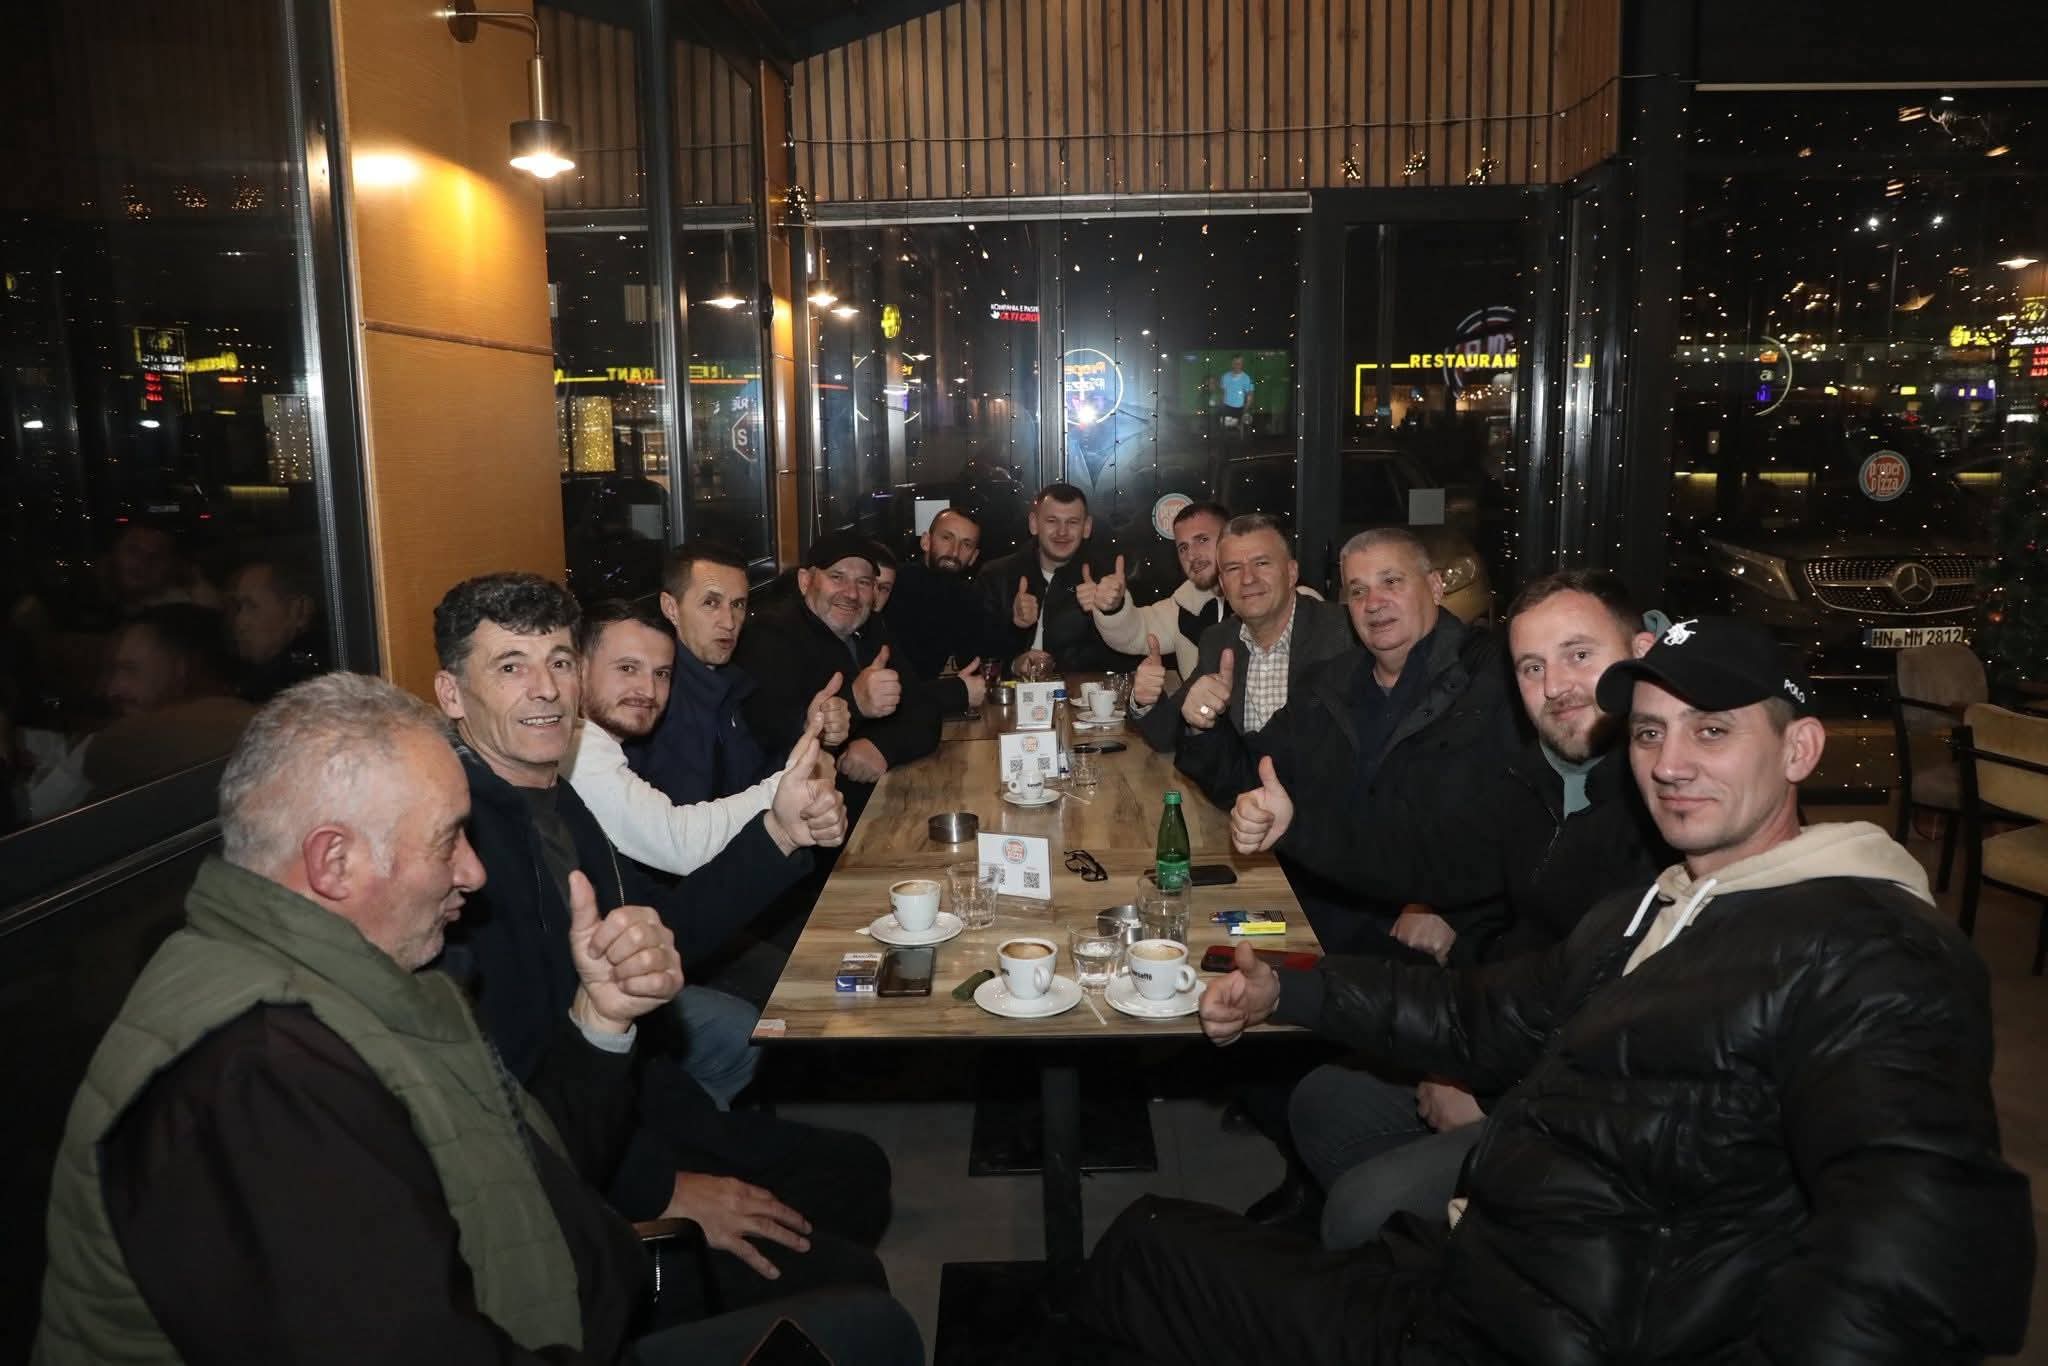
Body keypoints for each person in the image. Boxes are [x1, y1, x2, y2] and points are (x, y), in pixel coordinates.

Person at [1080, 617, 2035, 1365]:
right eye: (1651, 732)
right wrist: (1285, 988)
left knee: (1147, 1255)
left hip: (1553, 1332)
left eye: (1712, 731)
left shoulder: (1874, 953)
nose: (1670, 763)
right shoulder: (1657, 905)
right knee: (1155, 1245)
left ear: (1800, 751)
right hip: (1489, 1276)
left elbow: (1923, 1266)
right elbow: (1480, 1014)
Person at [34, 673, 922, 1365]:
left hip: (578, 1293)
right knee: (864, 1329)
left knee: (853, 1291)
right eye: (445, 842)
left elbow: (535, 1156)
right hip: (551, 1332)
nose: (473, 872)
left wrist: (601, 1022)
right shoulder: (253, 1076)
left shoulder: (374, 974)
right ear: (334, 863)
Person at [432, 573, 899, 1311]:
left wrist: (781, 834)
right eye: (511, 667)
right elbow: (506, 1103)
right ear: (453, 695)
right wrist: (660, 1192)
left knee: (859, 1174)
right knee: (857, 1288)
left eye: (559, 661)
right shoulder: (457, 855)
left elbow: (659, 935)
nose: (546, 690)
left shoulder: (555, 796)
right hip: (576, 1177)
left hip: (641, 1102)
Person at [1232, 570, 1672, 1248]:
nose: (1556, 686)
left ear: (1640, 653)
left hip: (1602, 1116)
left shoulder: (1667, 808)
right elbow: (1423, 857)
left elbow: (1624, 1032)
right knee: (1324, 1100)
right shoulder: (1536, 776)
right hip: (1510, 1044)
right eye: (1533, 667)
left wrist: (1487, 1094)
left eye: (1580, 655)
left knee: (1361, 1205)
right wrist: (1296, 828)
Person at [1176, 527, 1516, 957]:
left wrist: (1452, 913)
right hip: (1319, 920)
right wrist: (1204, 725)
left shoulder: (1489, 681)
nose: (1373, 602)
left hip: (1421, 949)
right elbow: (1252, 775)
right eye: (1358, 591)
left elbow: (1511, 827)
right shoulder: (1329, 684)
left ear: (1434, 586)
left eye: (1391, 582)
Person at [564, 598, 845, 977]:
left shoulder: (719, 695)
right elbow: (679, 841)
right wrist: (787, 783)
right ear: (579, 669)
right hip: (610, 968)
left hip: (663, 930)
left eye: (662, 674)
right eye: (627, 668)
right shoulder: (576, 747)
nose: (648, 689)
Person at [732, 531, 941, 798]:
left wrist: (883, 747)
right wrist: (856, 701)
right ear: (805, 581)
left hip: (876, 798)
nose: (851, 593)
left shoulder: (872, 628)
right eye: (837, 577)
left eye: (863, 582)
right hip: (802, 810)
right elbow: (774, 737)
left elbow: (925, 712)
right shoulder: (769, 635)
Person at [1134, 514, 1354, 758]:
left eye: (1262, 563)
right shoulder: (1218, 641)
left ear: (1291, 573)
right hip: (1243, 782)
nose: (1248, 579)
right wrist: (1145, 699)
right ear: (1223, 584)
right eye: (1233, 569)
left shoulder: (1344, 630)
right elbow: (1166, 735)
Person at [632, 541, 817, 806]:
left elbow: (750, 785)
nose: (729, 622)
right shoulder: (654, 700)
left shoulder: (730, 684)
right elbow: (687, 822)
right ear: (671, 608)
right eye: (711, 603)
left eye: (738, 604)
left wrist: (808, 734)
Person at [976, 482, 1141, 675]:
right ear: (1034, 524)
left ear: (1087, 527)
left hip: (1077, 691)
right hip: (1010, 691)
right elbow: (974, 656)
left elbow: (1126, 664)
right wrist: (1013, 660)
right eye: (1052, 521)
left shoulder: (1105, 580)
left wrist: (1111, 612)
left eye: (1072, 522)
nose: (1062, 532)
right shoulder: (996, 576)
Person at [1082, 500, 1230, 686]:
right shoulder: (1186, 604)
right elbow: (1136, 633)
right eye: (1183, 548)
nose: (1192, 556)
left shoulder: (1257, 599)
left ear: (1230, 539)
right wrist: (1114, 607)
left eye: (1202, 540)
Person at [880, 508, 989, 713]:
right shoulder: (893, 588)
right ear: (926, 542)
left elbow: (981, 660)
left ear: (974, 556)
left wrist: (1018, 625)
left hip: (936, 711)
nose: (954, 552)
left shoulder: (969, 597)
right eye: (947, 538)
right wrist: (956, 692)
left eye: (966, 544)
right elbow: (896, 691)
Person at [222, 556, 325, 702]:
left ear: (298, 611)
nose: (240, 623)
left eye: (252, 607)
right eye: (239, 608)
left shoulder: (304, 681)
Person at [1215, 355, 1254, 439]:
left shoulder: (1246, 378)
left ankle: (1240, 443)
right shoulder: (1225, 376)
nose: (1237, 365)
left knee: (1240, 432)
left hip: (1240, 409)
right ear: (1232, 364)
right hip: (1226, 408)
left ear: (1242, 364)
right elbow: (1222, 393)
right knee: (1225, 431)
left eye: (1239, 363)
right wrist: (1221, 407)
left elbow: (1250, 396)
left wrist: (1245, 410)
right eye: (1235, 363)